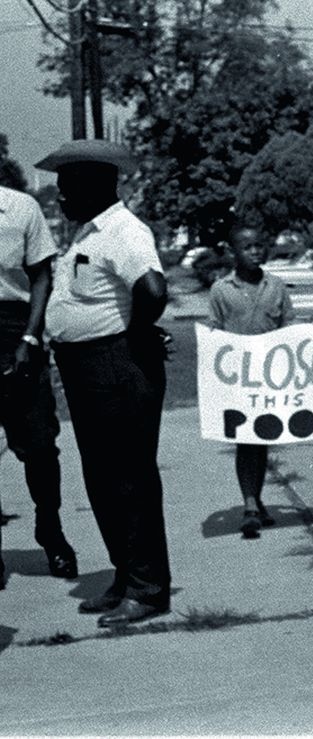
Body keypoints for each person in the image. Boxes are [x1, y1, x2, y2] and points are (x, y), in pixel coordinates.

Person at [36, 140, 171, 627]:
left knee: (130, 478)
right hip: (86, 368)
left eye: (67, 188)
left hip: (116, 365)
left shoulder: (123, 231)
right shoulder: (87, 233)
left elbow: (152, 290)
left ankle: (148, 589)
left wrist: (136, 334)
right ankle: (125, 575)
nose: (60, 197)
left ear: (94, 186)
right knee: (102, 478)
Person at [0, 180, 77, 588]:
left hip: (16, 327)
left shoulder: (21, 207)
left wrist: (30, 337)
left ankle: (51, 530)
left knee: (40, 446)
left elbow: (42, 277)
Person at [208, 221, 293, 539]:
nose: (255, 252)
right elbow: (214, 333)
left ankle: (256, 500)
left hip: (270, 378)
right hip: (239, 379)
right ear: (233, 252)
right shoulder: (221, 290)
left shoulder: (277, 286)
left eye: (259, 246)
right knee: (246, 441)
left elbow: (289, 326)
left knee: (261, 440)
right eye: (247, 247)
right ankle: (250, 506)